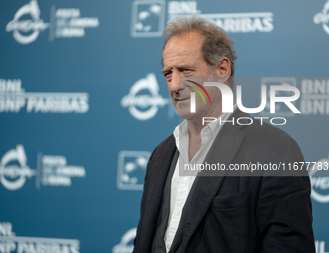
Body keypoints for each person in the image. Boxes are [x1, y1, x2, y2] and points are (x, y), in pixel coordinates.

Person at [133, 16, 315, 253]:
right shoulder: (162, 154)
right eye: (168, 74)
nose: (175, 85)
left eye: (186, 70)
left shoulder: (274, 150)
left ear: (222, 69)